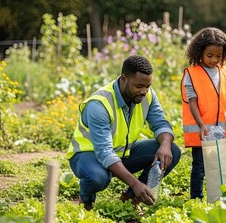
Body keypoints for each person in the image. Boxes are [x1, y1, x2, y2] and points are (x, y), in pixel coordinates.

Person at [67, 55, 181, 212]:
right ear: (124, 79)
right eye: (139, 86)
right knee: (97, 178)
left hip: (122, 153)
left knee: (172, 151)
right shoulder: (99, 105)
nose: (144, 91)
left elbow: (160, 123)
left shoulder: (147, 95)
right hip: (88, 156)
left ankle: (130, 199)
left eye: (147, 86)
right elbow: (104, 152)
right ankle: (86, 201)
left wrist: (165, 144)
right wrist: (135, 184)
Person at [181, 27, 226, 199]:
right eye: (209, 55)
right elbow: (192, 102)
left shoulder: (225, 71)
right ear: (200, 52)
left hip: (222, 132)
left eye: (218, 56)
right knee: (200, 168)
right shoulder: (191, 73)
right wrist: (201, 125)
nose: (214, 60)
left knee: (220, 166)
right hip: (201, 132)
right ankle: (196, 199)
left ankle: (218, 196)